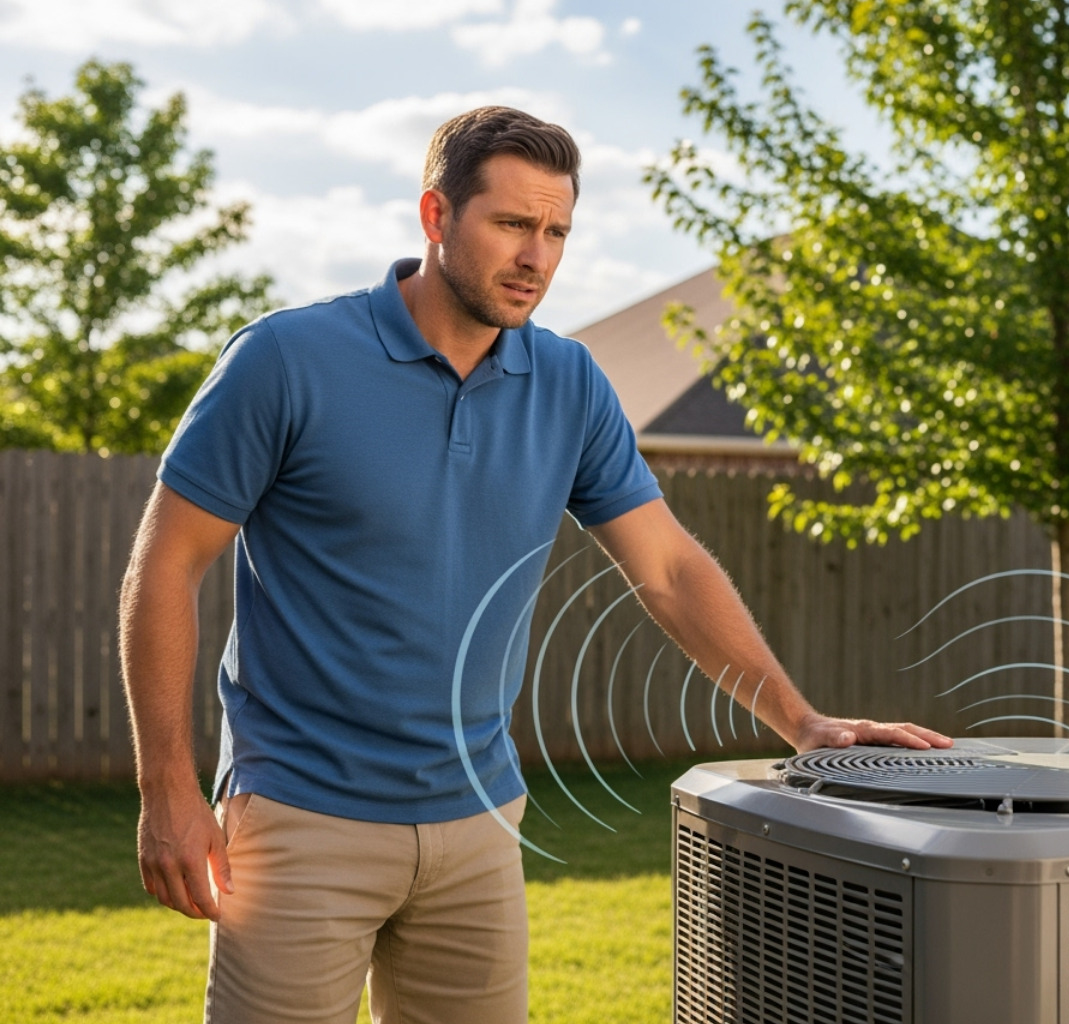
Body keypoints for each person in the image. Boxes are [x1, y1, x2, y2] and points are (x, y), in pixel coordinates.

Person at [119, 105, 951, 1024]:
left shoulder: (570, 383)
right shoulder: (287, 360)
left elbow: (669, 569)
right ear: (436, 215)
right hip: (301, 817)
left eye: (557, 232)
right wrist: (167, 788)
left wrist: (802, 721)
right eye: (513, 223)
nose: (537, 257)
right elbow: (167, 564)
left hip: (478, 821)